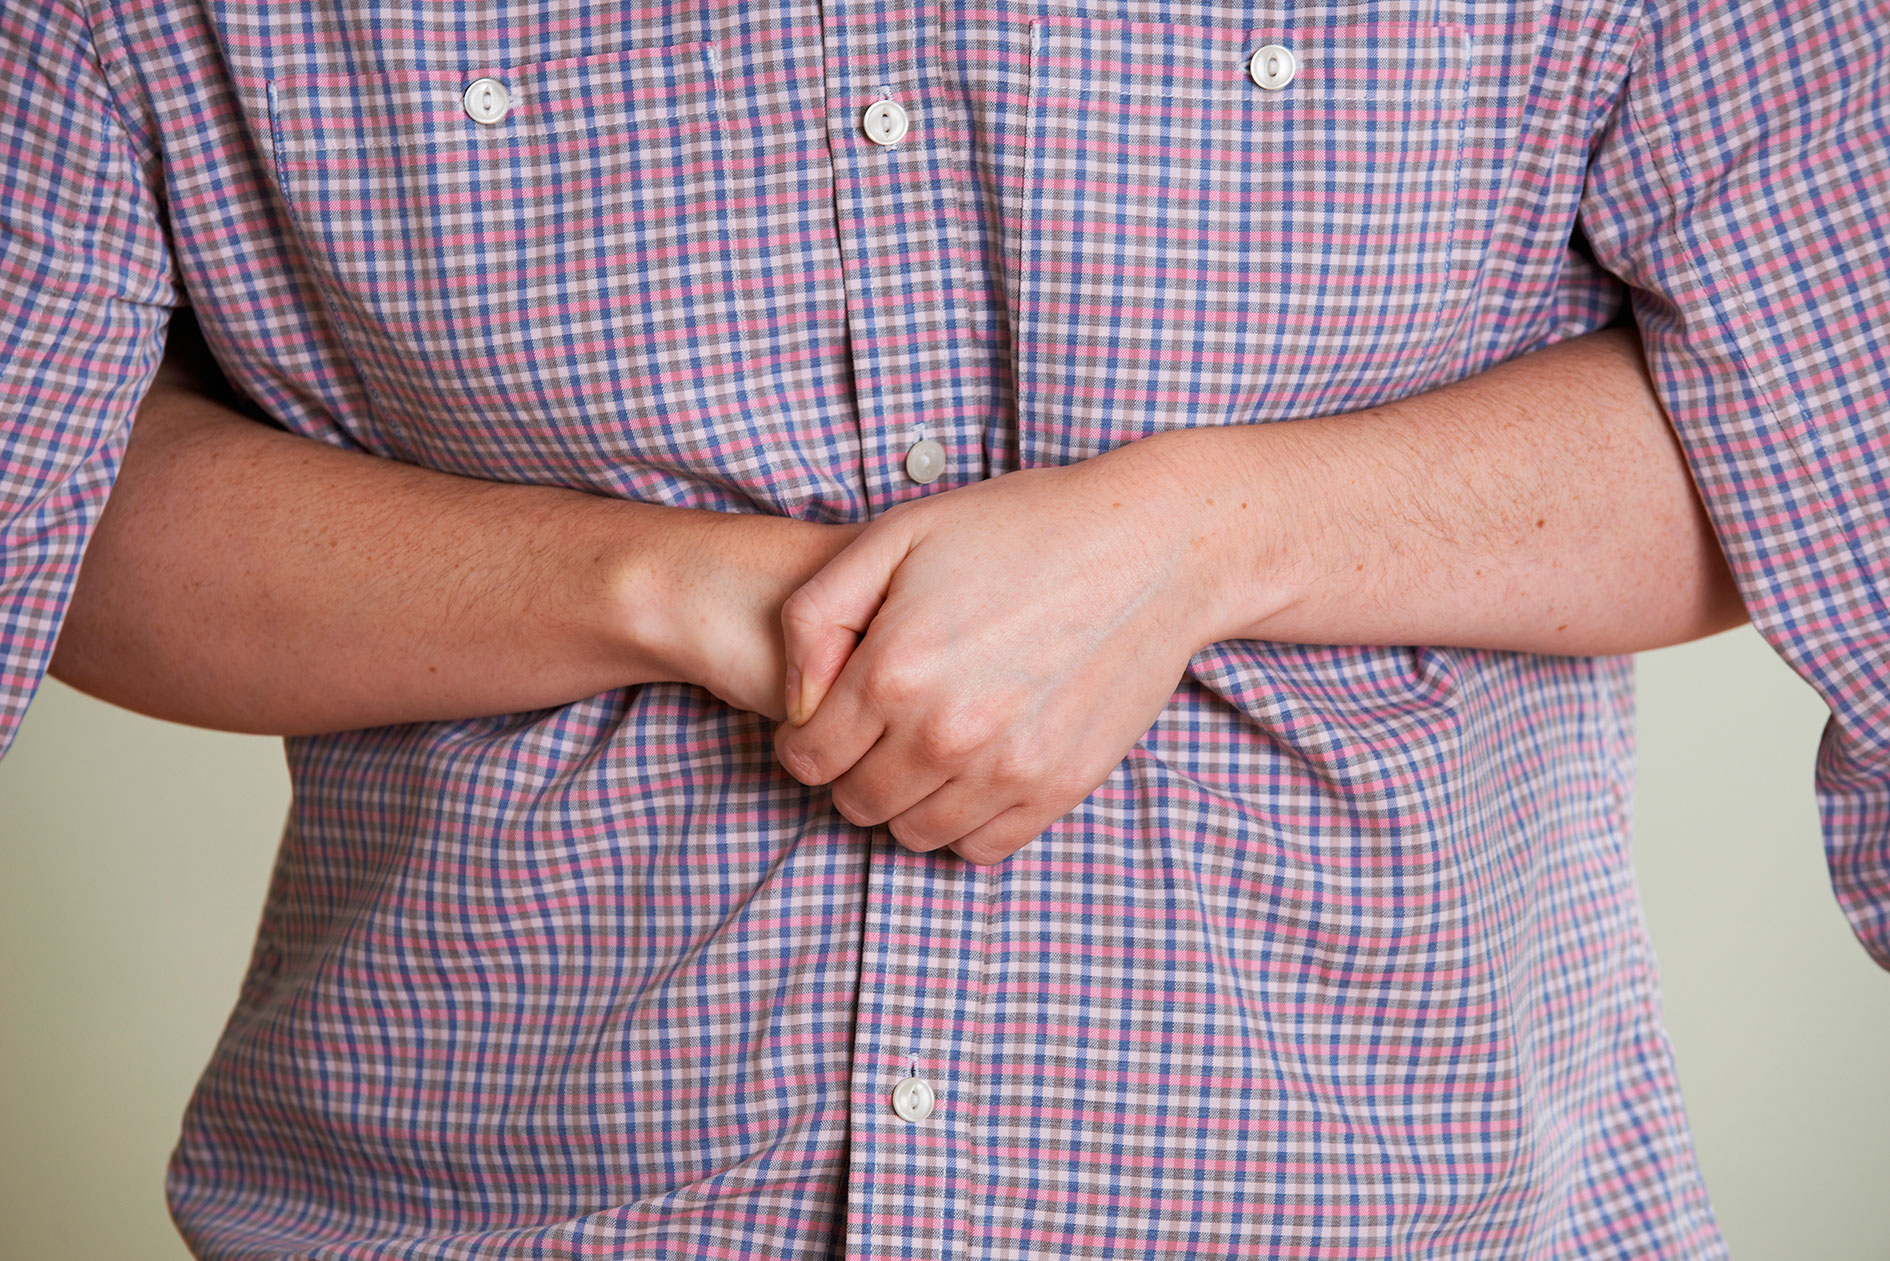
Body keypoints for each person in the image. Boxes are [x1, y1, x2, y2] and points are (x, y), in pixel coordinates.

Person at [1, 1, 1884, 1257]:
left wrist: (1212, 538)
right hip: (486, 1201)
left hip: (1399, 1196)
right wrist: (656, 585)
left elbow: (1824, 406)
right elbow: (62, 493)